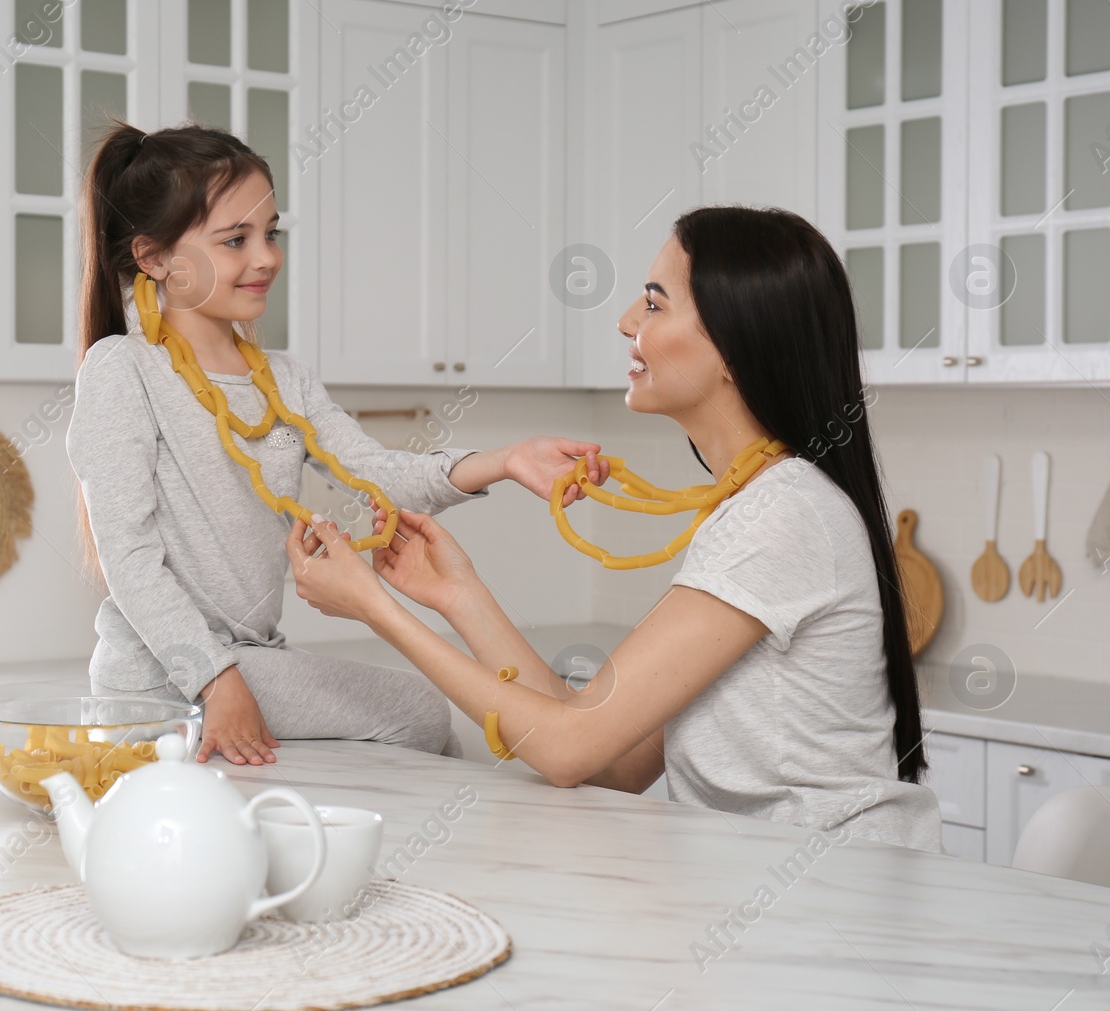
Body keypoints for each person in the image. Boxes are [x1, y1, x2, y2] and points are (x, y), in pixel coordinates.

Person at [286, 205, 943, 852]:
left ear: (734, 349)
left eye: (655, 304)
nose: (627, 321)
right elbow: (613, 761)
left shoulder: (783, 514)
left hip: (837, 902)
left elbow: (569, 750)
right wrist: (459, 596)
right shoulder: (756, 504)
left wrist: (376, 608)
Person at [67, 121, 603, 766]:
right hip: (160, 677)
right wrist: (215, 679)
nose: (265, 257)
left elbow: (375, 470)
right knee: (419, 713)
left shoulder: (286, 379)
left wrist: (508, 461)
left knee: (410, 726)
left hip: (251, 662)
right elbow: (128, 558)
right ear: (154, 259)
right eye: (235, 240)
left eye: (271, 233)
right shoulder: (122, 369)